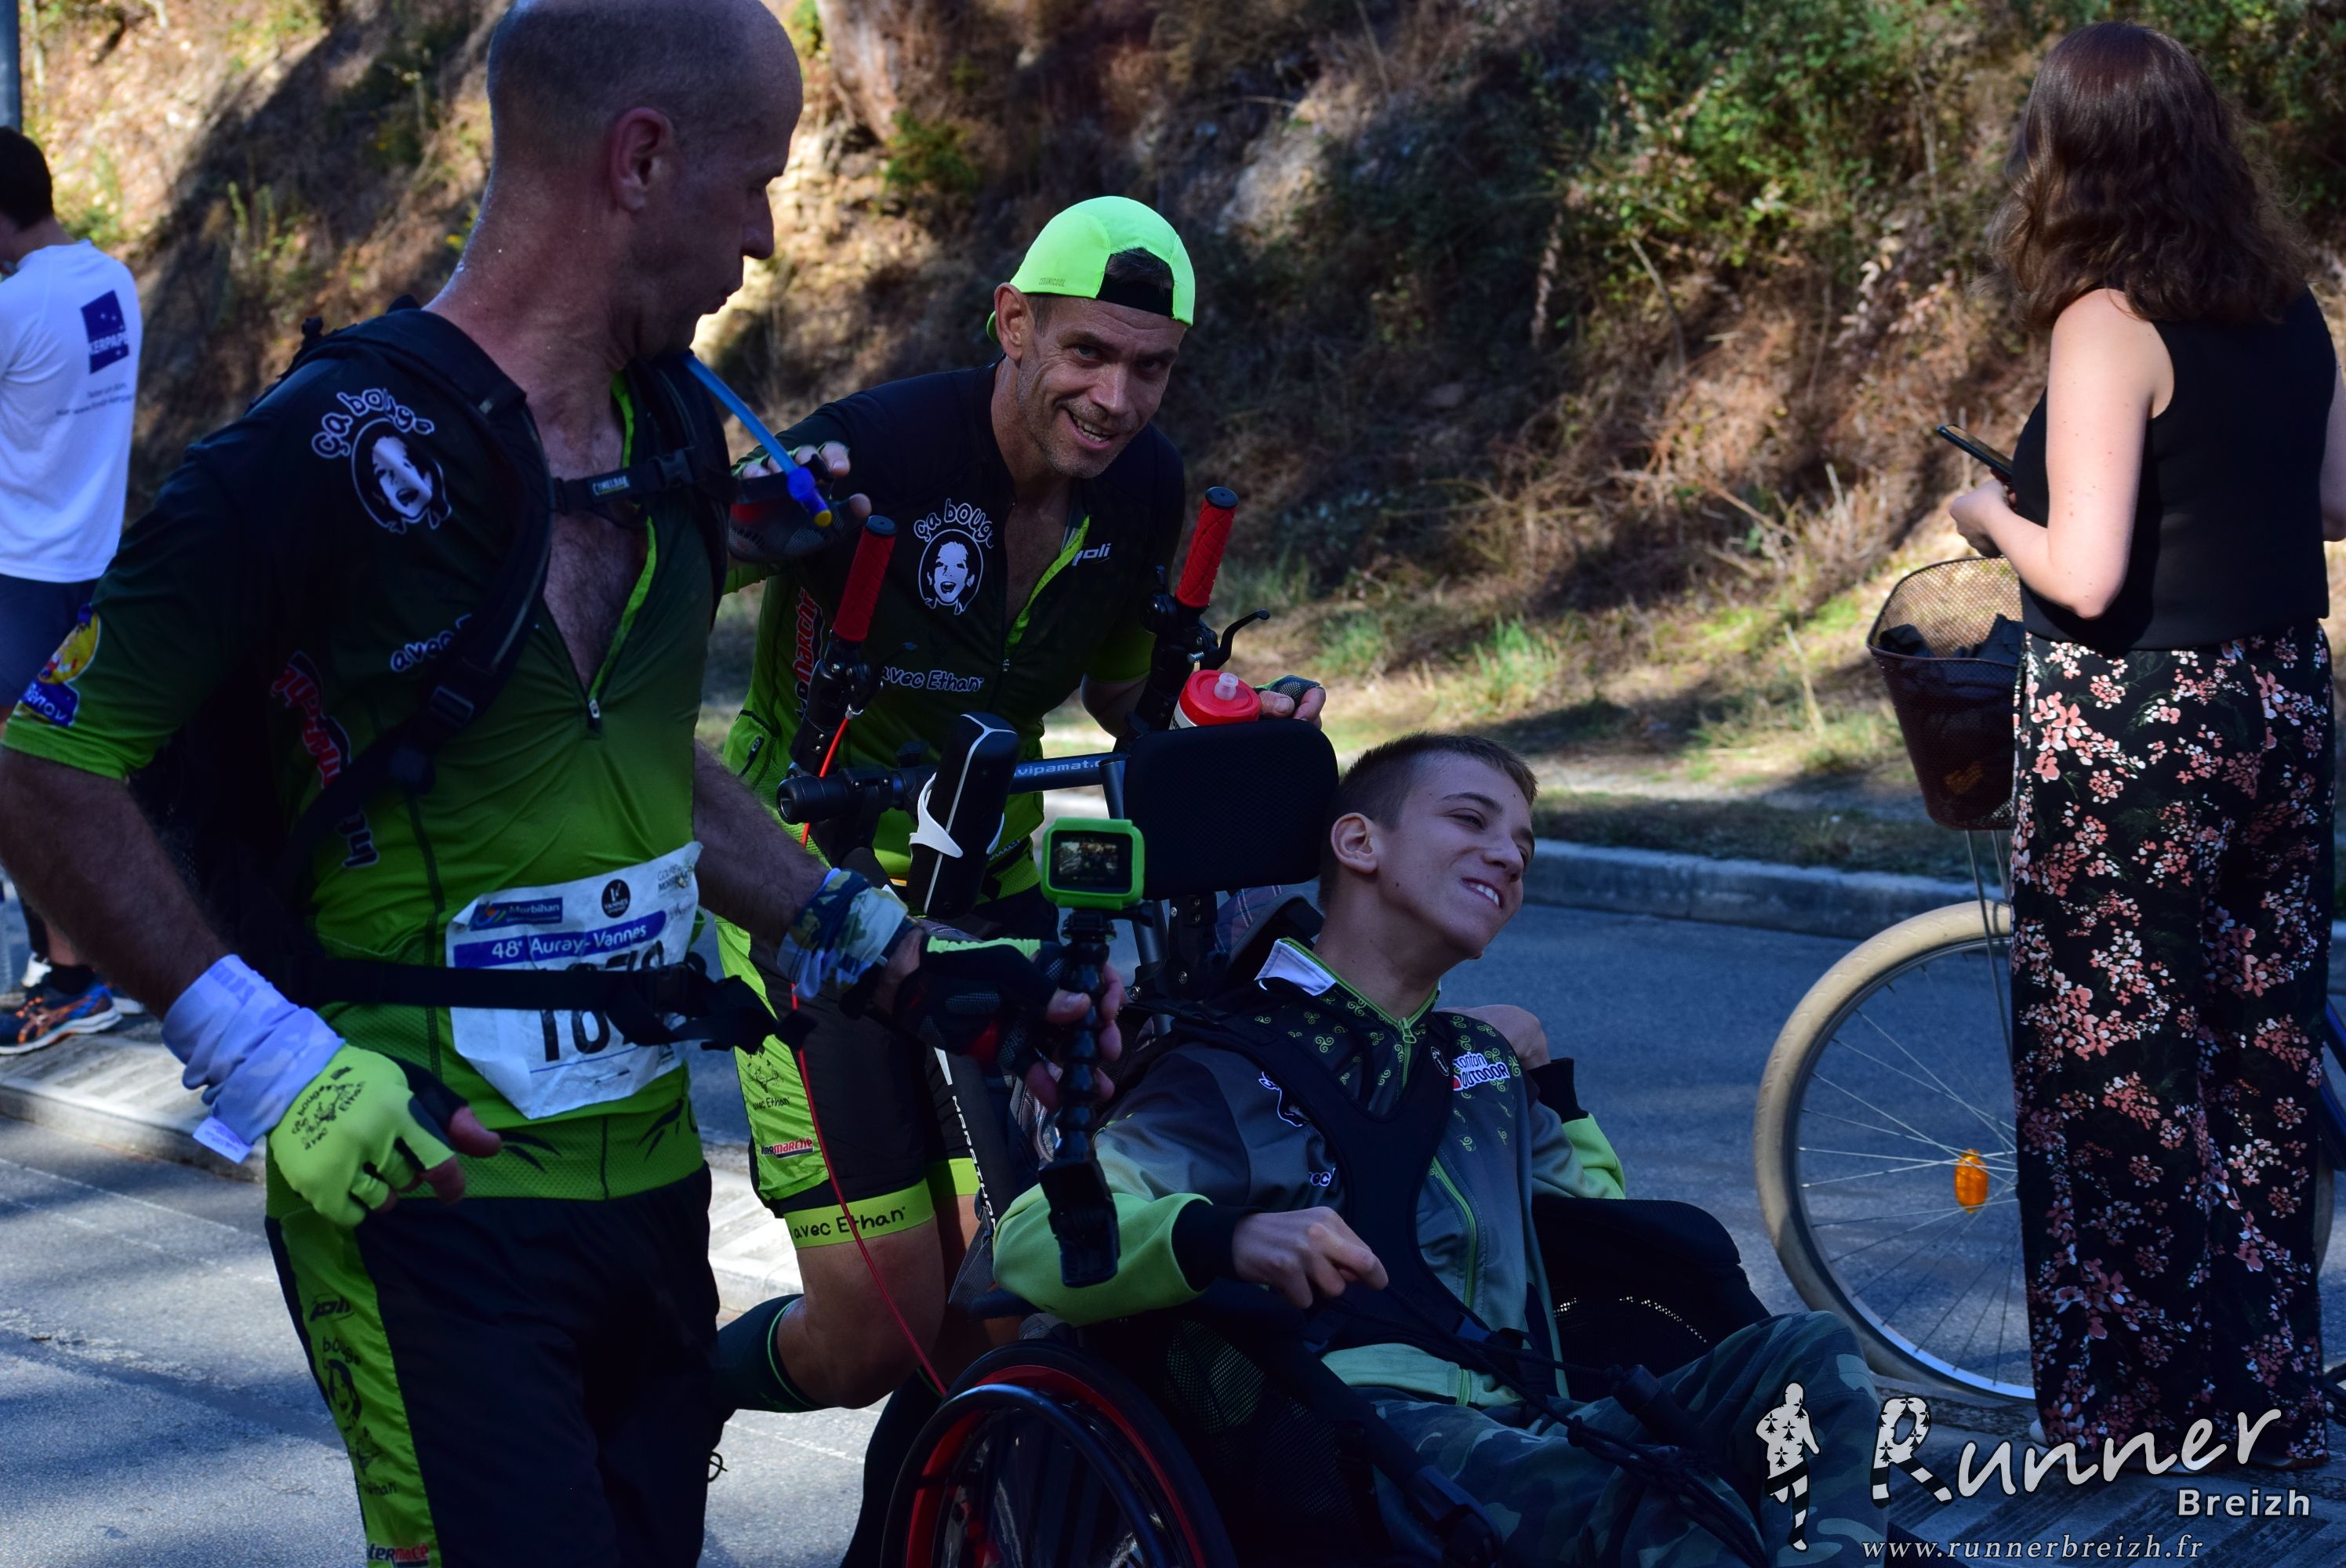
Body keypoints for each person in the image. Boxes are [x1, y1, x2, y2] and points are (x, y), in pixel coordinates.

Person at [0, 3, 1112, 1563]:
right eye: (752, 182)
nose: (763, 237)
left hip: (646, 1193)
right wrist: (262, 1058)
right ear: (639, 161)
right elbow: (43, 757)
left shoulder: (674, 433)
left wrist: (873, 944)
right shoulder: (327, 446)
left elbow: (644, 761)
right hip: (422, 1190)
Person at [708, 195, 1327, 1548]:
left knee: (1013, 1291)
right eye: (1086, 353)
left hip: (993, 886)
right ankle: (678, 1386)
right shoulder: (883, 447)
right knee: (876, 1336)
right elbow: (665, 570)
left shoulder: (1143, 486)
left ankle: (940, 1527)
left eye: (1150, 368)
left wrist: (1237, 715)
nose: (1115, 399)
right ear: (1013, 324)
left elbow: (1128, 699)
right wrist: (746, 519)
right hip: (812, 893)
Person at [995, 733, 1888, 1563]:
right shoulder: (1222, 1069)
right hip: (1361, 1437)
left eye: (1523, 845)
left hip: (1535, 1408)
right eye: (1470, 820)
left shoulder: (1477, 1060)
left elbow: (1600, 1225)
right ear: (1358, 843)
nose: (1509, 856)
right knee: (1679, 1504)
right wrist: (1229, 1236)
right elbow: (1036, 1238)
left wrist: (1549, 1089)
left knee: (1807, 1354)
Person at [1948, 21, 2346, 1468]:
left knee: (2112, 1072)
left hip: (2138, 731)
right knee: (2259, 1054)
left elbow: (2088, 572)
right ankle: (2266, 1398)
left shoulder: (2104, 324)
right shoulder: (2285, 304)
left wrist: (1989, 516)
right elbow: (2336, 503)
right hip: (2282, 701)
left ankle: (2139, 1417)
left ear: (2065, 156)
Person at [0, 126, 141, 1050]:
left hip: (19, 574)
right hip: (92, 566)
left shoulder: (16, 305)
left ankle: (71, 979)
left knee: (20, 787)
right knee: (77, 773)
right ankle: (102, 964)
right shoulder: (111, 281)